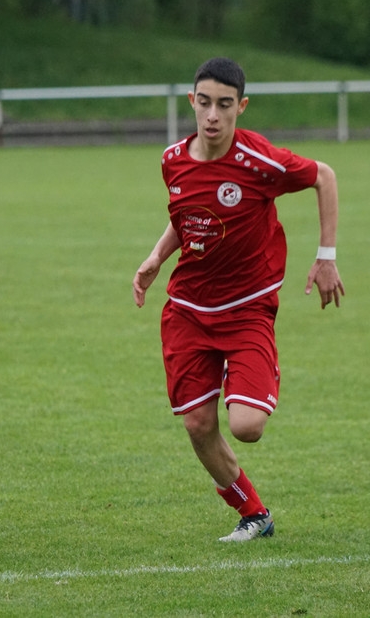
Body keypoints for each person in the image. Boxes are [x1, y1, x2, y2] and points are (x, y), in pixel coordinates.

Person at [132, 57, 344, 542]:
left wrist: (326, 256)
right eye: (205, 103)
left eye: (224, 105)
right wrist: (157, 257)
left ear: (241, 107)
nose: (213, 115)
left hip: (248, 308)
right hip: (188, 309)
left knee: (247, 425)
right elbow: (188, 216)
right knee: (197, 423)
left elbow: (324, 176)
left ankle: (249, 372)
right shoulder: (172, 160)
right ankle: (254, 514)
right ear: (192, 101)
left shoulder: (260, 161)